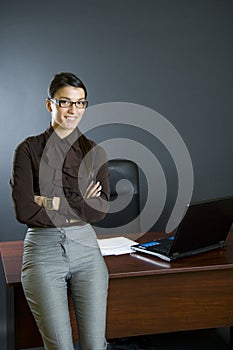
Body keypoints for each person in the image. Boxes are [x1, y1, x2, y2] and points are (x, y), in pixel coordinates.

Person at [10, 72, 110, 350]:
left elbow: (100, 210)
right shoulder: (27, 150)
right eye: (65, 102)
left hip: (87, 251)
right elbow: (25, 210)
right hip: (43, 252)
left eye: (80, 103)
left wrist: (50, 201)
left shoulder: (95, 152)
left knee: (94, 346)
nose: (73, 110)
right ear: (49, 104)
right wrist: (78, 201)